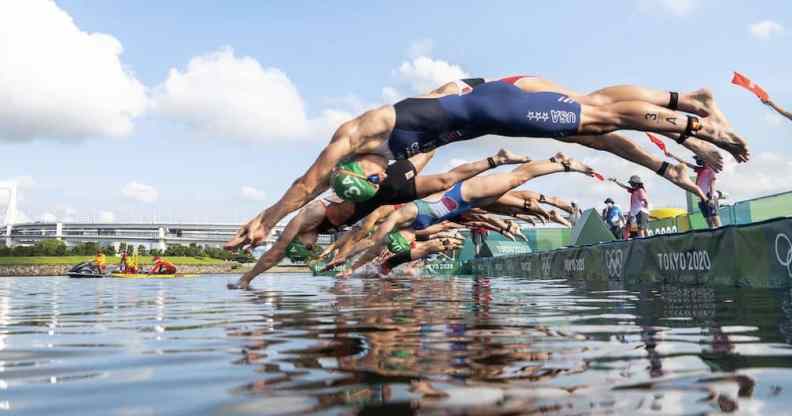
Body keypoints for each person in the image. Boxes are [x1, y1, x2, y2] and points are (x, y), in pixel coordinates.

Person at [226, 76, 747, 251]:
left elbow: (307, 182)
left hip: (497, 101)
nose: (380, 181)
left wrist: (268, 218)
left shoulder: (361, 133)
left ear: (356, 167)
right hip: (496, 106)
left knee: (598, 119)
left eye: (370, 179)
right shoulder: (392, 168)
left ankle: (698, 124)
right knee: (597, 126)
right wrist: (270, 225)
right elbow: (316, 195)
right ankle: (681, 139)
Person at [227, 149, 529, 289]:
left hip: (384, 186)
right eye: (309, 248)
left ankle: (492, 157)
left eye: (305, 245)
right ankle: (492, 160)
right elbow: (355, 239)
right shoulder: (325, 229)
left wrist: (246, 278)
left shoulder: (311, 215)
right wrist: (342, 264)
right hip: (387, 198)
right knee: (442, 182)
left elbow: (277, 250)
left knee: (438, 169)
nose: (309, 246)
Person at [343, 153, 596, 274]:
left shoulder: (403, 215)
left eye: (408, 245)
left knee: (518, 178)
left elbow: (374, 241)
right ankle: (554, 160)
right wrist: (351, 268)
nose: (413, 247)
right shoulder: (422, 232)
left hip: (464, 193)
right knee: (515, 193)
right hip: (468, 204)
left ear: (405, 239)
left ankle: (562, 163)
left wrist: (346, 258)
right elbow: (377, 250)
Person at [665, 152, 721, 228]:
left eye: (699, 158)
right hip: (702, 197)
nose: (698, 160)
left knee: (715, 219)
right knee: (709, 221)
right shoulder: (700, 169)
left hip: (709, 196)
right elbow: (686, 163)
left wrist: (711, 198)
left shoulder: (711, 170)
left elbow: (712, 184)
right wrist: (673, 156)